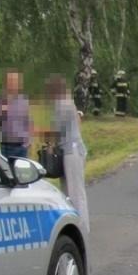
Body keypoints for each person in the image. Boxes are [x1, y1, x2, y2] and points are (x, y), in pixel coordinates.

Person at [47, 74, 89, 235]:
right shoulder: (64, 102)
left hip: (71, 149)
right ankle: (74, 224)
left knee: (75, 192)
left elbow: (58, 128)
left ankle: (82, 228)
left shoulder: (62, 104)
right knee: (68, 191)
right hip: (67, 149)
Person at [0, 70, 32, 158]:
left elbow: (27, 121)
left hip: (22, 147)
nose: (13, 84)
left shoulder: (23, 100)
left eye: (15, 81)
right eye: (11, 81)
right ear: (5, 82)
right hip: (7, 146)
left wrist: (28, 140)